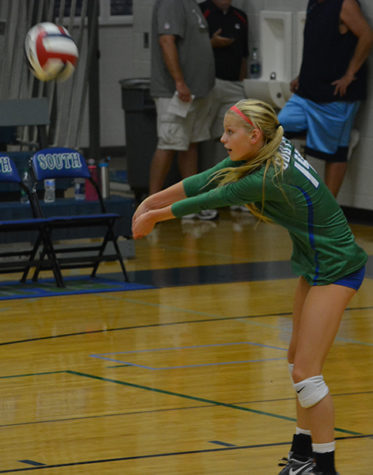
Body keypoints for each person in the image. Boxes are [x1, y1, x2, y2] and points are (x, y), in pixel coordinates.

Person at [132, 98, 368, 475]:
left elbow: (215, 197)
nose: (223, 138)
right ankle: (301, 458)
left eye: (230, 132)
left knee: (307, 374)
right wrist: (150, 200)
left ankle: (325, 470)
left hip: (337, 267)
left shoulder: (271, 176)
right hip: (315, 263)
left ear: (254, 135)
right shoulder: (269, 150)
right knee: (296, 363)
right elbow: (206, 178)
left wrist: (154, 218)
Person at [278, 0, 373, 198]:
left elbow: (367, 35)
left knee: (334, 153)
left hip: (336, 95)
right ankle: (341, 136)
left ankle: (328, 214)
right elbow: (317, 46)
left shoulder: (345, 4)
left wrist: (350, 74)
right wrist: (301, 76)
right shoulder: (313, 4)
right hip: (307, 93)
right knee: (277, 128)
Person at [149, 0, 218, 220]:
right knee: (169, 144)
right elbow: (166, 40)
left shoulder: (191, 4)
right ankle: (150, 207)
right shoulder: (171, 3)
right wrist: (179, 81)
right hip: (176, 93)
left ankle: (189, 203)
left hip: (196, 92)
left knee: (190, 145)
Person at [199, 0, 249, 140]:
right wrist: (211, 43)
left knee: (233, 131)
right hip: (209, 83)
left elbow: (244, 55)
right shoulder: (201, 12)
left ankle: (227, 161)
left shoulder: (240, 16)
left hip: (234, 84)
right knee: (201, 133)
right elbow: (190, 50)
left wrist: (241, 83)